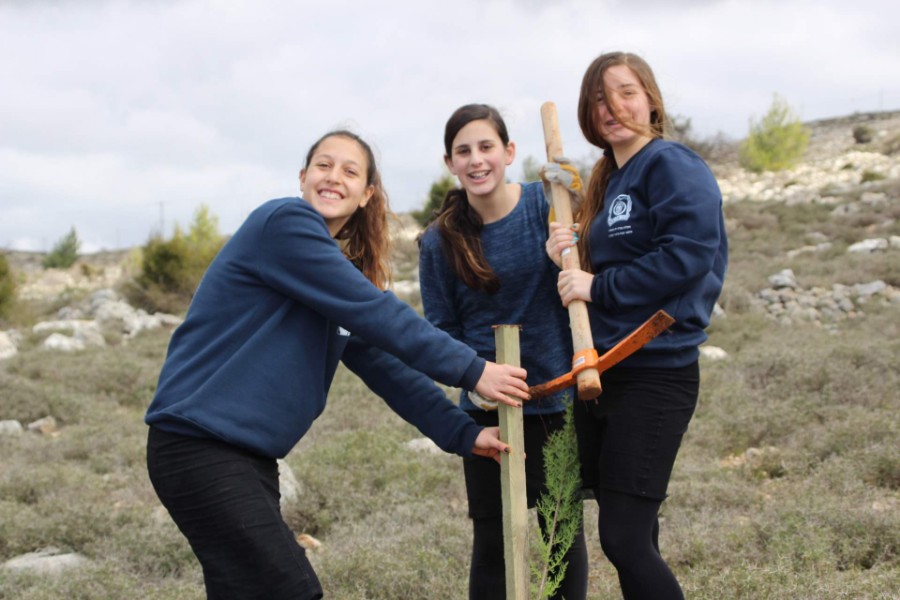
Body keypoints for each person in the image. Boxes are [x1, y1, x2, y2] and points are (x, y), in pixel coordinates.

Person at [145, 129, 532, 600]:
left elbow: (388, 369)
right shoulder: (283, 224)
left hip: (244, 458)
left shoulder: (331, 276)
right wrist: (475, 370)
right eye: (324, 166)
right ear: (304, 177)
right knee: (291, 589)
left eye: (351, 171)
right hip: (199, 448)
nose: (334, 178)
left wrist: (462, 433)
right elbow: (378, 313)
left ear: (367, 194)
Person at [546, 52, 728, 599]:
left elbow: (689, 255)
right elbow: (612, 260)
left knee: (623, 536)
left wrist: (598, 286)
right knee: (636, 531)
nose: (613, 107)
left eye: (625, 92)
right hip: (605, 371)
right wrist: (570, 253)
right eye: (599, 98)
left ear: (650, 98)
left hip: (656, 370)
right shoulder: (612, 178)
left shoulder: (671, 163)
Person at [418, 104, 588, 600]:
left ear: (509, 152)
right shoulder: (439, 241)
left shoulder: (546, 204)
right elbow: (440, 331)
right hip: (486, 411)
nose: (477, 160)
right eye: (463, 151)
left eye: (486, 146)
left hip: (554, 399)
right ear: (450, 162)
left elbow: (590, 253)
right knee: (493, 541)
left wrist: (575, 201)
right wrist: (476, 379)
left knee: (561, 535)